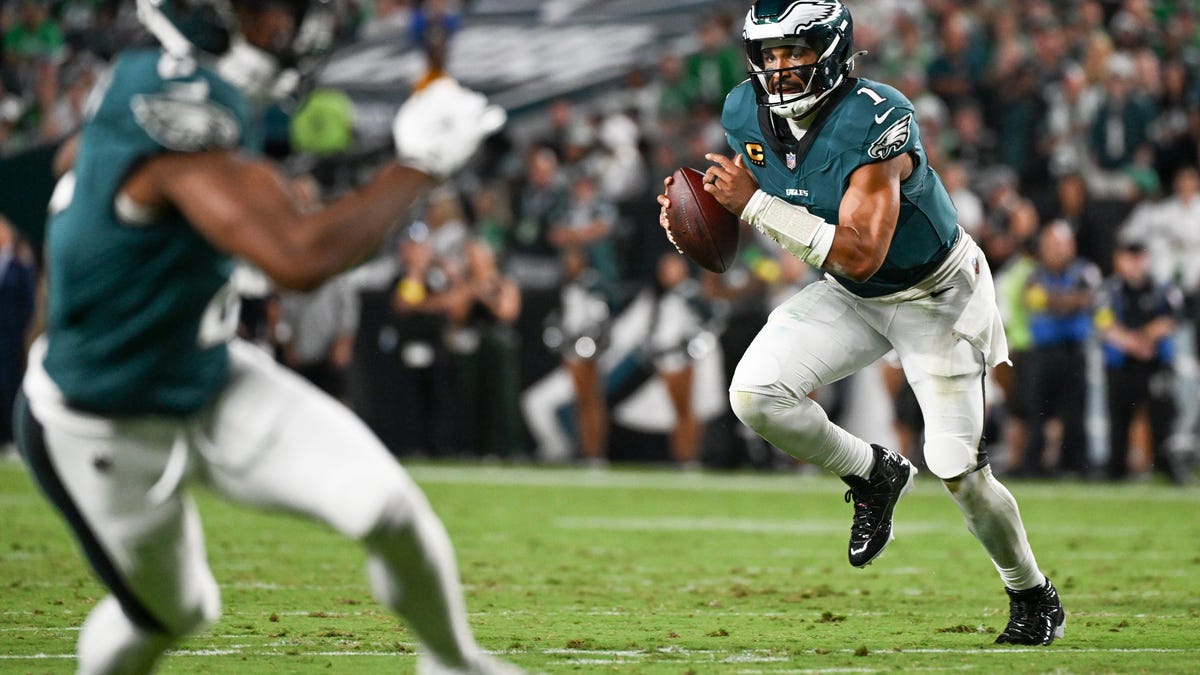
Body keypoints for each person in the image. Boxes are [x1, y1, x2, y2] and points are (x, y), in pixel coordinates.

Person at [12, 1, 517, 674]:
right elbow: (298, 258)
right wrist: (421, 164)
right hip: (105, 420)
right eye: (269, 8)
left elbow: (75, 159)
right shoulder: (177, 110)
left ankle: (452, 665)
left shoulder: (152, 84)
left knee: (387, 506)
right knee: (176, 612)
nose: (289, 26)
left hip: (204, 370)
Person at [657, 0, 1063, 646]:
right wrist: (695, 212)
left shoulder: (877, 117)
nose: (781, 68)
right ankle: (873, 473)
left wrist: (752, 205)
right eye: (771, 54)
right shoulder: (743, 112)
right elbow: (766, 191)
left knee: (957, 467)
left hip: (934, 295)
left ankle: (1032, 593)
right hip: (852, 295)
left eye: (796, 52)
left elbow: (859, 250)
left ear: (833, 52)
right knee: (754, 393)